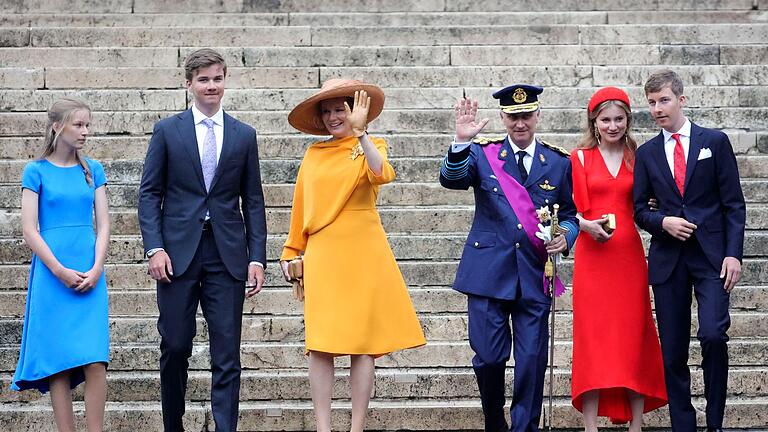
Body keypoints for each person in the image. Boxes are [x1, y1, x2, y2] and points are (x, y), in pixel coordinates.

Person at [280, 78, 426, 432]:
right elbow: (301, 206)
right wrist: (291, 249)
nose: (333, 117)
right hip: (325, 252)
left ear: (355, 111)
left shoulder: (372, 144)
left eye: (340, 110)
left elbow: (382, 174)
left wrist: (361, 135)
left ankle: (357, 427)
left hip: (364, 251)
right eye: (327, 111)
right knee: (321, 343)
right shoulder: (314, 154)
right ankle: (323, 427)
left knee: (363, 345)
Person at [138, 48, 267, 432]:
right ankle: (173, 426)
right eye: (204, 79)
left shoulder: (245, 135)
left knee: (227, 353)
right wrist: (154, 247)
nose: (212, 86)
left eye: (217, 78)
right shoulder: (167, 131)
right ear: (189, 83)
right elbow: (148, 194)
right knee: (175, 345)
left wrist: (256, 257)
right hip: (177, 254)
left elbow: (254, 200)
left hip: (227, 255)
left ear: (225, 81)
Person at [440, 84, 579, 432]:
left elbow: (571, 214)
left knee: (532, 360)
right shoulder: (482, 154)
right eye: (513, 116)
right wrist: (460, 142)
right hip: (488, 272)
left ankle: (524, 428)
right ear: (503, 117)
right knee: (488, 358)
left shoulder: (558, 162)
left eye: (527, 115)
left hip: (535, 271)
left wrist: (565, 236)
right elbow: (451, 179)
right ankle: (493, 421)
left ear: (538, 116)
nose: (520, 123)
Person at [633, 70, 746, 432]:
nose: (657, 109)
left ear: (681, 100)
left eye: (663, 100)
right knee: (673, 351)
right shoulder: (648, 153)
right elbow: (639, 209)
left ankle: (715, 423)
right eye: (651, 103)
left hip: (713, 257)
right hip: (668, 261)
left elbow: (734, 204)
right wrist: (661, 222)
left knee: (713, 334)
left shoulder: (715, 141)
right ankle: (684, 425)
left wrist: (734, 254)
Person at [570, 87, 667, 431]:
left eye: (619, 119)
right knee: (592, 339)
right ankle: (591, 426)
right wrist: (585, 224)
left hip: (628, 256)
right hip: (592, 257)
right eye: (605, 120)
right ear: (594, 122)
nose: (613, 126)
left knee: (633, 336)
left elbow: (651, 200)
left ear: (628, 120)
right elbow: (569, 210)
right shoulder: (579, 158)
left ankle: (637, 424)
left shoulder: (639, 156)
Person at [12, 98, 110, 432]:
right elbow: (28, 229)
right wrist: (58, 270)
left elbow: (105, 225)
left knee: (97, 361)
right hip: (52, 274)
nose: (85, 131)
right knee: (60, 365)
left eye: (87, 125)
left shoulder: (93, 169)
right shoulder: (35, 171)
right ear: (58, 127)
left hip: (89, 269)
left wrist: (96, 268)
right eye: (78, 124)